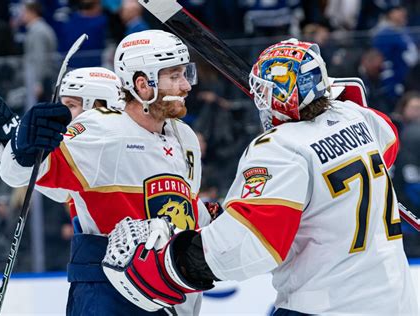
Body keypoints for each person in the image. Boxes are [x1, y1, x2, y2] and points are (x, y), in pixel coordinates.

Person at [103, 38, 418, 315]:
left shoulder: (280, 148)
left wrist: (174, 263)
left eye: (263, 93)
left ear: (279, 97)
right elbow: (389, 139)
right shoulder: (357, 118)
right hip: (396, 301)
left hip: (327, 305)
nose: (259, 102)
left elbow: (250, 242)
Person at [0, 29, 210, 316]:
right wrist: (22, 143)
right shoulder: (100, 130)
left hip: (169, 293)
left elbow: (184, 212)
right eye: (174, 76)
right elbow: (22, 174)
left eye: (185, 74)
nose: (186, 85)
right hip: (109, 294)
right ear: (142, 84)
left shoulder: (185, 137)